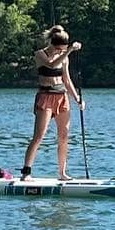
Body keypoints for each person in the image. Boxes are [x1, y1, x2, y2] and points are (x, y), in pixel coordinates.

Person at [22, 25, 84, 179]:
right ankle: (26, 173)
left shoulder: (64, 57)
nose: (60, 52)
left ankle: (62, 173)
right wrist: (69, 50)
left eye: (63, 50)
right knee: (39, 136)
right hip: (46, 96)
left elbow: (67, 80)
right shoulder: (40, 54)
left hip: (61, 97)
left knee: (64, 136)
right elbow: (50, 64)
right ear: (52, 45)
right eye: (59, 49)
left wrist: (78, 99)